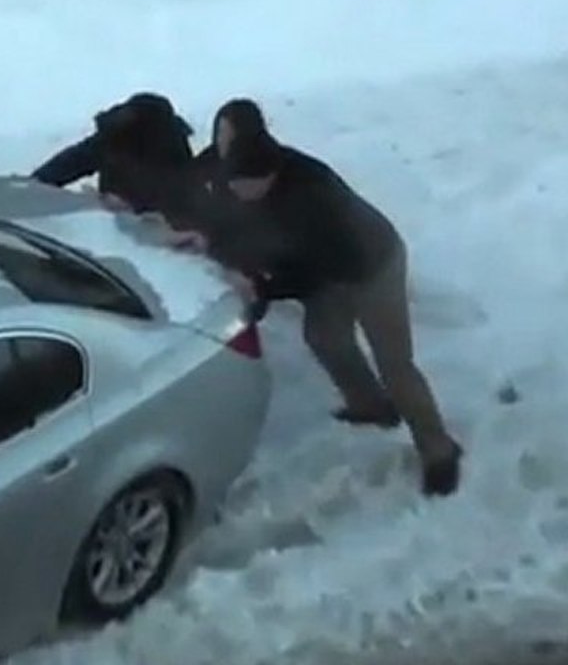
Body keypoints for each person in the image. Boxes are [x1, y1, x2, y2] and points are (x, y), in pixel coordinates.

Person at [168, 98, 463, 497]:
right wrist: (205, 235)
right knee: (325, 337)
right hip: (319, 265)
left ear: (268, 176)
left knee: (395, 364)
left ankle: (439, 451)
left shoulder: (312, 195)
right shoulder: (236, 170)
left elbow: (317, 271)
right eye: (232, 184)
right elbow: (221, 212)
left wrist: (261, 286)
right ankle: (371, 406)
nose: (236, 192)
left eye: (245, 186)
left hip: (370, 264)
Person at [30, 92, 200, 227]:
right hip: (115, 225)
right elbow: (60, 168)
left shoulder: (172, 142)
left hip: (141, 227)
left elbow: (183, 195)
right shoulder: (112, 138)